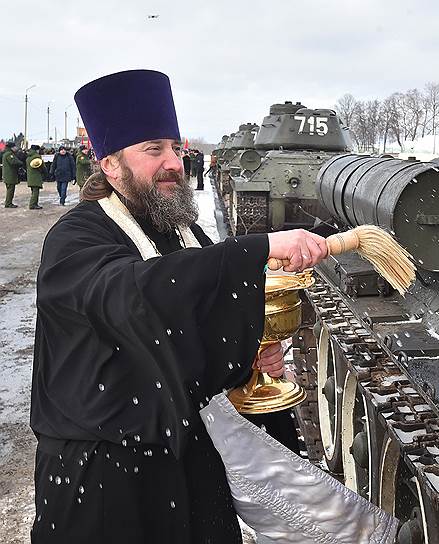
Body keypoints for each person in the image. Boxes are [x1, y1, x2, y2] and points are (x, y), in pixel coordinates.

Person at [30, 69, 328, 544]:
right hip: (107, 482)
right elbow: (134, 298)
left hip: (190, 466)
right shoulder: (75, 238)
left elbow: (201, 322)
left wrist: (248, 357)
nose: (173, 162)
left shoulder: (181, 233)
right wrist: (259, 246)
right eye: (154, 150)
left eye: (174, 147)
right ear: (110, 164)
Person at [3, 142, 23, 208]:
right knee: (10, 190)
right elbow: (13, 162)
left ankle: (8, 202)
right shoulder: (9, 154)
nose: (16, 148)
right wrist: (20, 163)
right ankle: (8, 203)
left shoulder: (8, 153)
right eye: (14, 147)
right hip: (10, 175)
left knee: (10, 189)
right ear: (11, 147)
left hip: (9, 175)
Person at [26, 145, 46, 210]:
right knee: (35, 191)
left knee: (33, 190)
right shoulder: (37, 157)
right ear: (37, 150)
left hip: (30, 176)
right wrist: (45, 172)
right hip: (36, 176)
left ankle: (34, 203)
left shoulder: (29, 157)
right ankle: (33, 204)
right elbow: (41, 166)